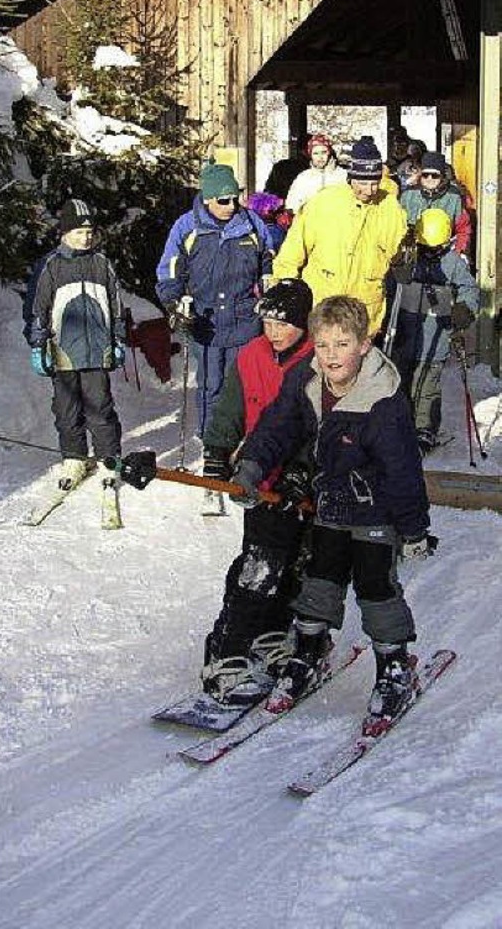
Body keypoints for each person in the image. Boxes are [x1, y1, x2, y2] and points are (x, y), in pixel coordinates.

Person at [232, 295, 434, 731]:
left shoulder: (383, 400)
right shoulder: (308, 379)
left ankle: (394, 665)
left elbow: (403, 471)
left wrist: (414, 529)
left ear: (363, 345)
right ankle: (308, 651)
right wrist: (251, 466)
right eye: (323, 346)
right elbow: (278, 423)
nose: (331, 357)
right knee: (320, 580)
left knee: (375, 586)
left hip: (376, 510)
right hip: (330, 503)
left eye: (342, 345)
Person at [200, 280, 315, 705]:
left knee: (296, 564)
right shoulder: (250, 356)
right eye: (267, 321)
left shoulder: (319, 362)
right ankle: (226, 651)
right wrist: (216, 452)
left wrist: (304, 472)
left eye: (283, 323)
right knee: (259, 567)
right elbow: (230, 408)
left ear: (303, 324)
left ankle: (271, 634)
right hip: (262, 481)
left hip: (303, 484)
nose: (273, 331)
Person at [155, 161, 275, 435]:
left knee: (241, 384)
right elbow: (169, 270)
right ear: (208, 198)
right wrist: (174, 303)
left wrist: (269, 284)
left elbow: (268, 257)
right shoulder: (187, 227)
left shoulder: (251, 223)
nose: (232, 205)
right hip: (204, 320)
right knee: (211, 384)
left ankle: (239, 440)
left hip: (244, 319)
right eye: (224, 200)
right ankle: (211, 441)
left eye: (236, 197)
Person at [29, 198, 125, 489]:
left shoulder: (101, 264)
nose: (85, 237)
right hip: (64, 352)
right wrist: (38, 344)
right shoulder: (52, 267)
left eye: (90, 232)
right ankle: (74, 458)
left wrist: (118, 339)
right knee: (66, 409)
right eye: (78, 232)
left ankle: (109, 459)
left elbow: (116, 306)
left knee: (101, 407)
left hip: (97, 351)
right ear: (64, 234)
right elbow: (39, 309)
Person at [272, 136, 408, 337]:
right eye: (362, 182)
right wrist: (287, 288)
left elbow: (396, 252)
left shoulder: (390, 207)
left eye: (374, 183)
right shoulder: (323, 203)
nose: (369, 190)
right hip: (323, 305)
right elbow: (292, 251)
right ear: (350, 177)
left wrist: (403, 255)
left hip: (365, 310)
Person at [389, 207, 479, 455]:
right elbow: (392, 282)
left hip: (435, 334)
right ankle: (400, 424)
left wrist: (464, 308)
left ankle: (424, 428)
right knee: (401, 381)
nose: (430, 253)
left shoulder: (453, 264)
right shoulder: (410, 259)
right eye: (426, 248)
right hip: (405, 332)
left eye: (436, 248)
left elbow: (469, 290)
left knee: (427, 384)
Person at [401, 151, 472, 259]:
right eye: (425, 175)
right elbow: (397, 225)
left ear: (442, 176)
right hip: (414, 253)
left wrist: (458, 252)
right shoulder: (408, 195)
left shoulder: (454, 197)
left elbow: (463, 229)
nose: (429, 179)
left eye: (434, 175)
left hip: (445, 252)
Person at [284, 133, 346, 215]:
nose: (320, 157)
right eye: (316, 153)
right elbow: (292, 205)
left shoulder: (342, 175)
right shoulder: (303, 178)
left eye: (323, 152)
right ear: (310, 155)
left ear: (329, 153)